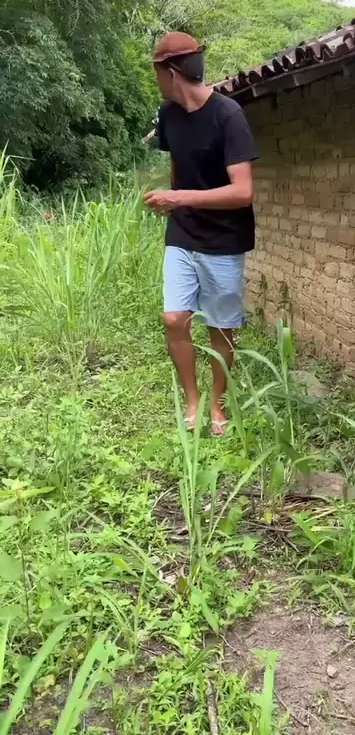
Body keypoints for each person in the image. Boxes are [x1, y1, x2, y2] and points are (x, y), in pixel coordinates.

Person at [144, 32, 258, 436]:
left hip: (224, 239)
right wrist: (172, 201)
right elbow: (179, 164)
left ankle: (218, 404)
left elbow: (243, 192)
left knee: (220, 326)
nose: (156, 80)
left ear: (171, 72)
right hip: (183, 232)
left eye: (157, 72)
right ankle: (192, 400)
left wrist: (179, 197)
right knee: (174, 318)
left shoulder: (228, 116)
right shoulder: (168, 115)